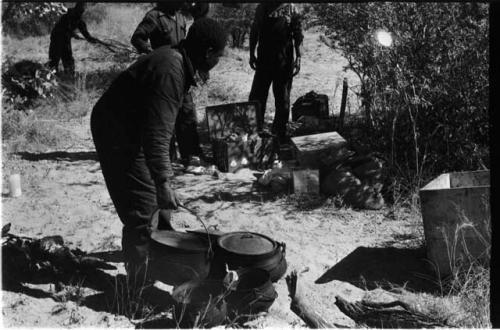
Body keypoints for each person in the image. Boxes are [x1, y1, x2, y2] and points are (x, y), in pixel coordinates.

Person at [91, 18, 226, 276]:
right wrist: (163, 182)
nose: (218, 62)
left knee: (156, 205)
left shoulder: (180, 62)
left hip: (132, 128)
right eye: (219, 55)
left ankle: (161, 260)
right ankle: (137, 289)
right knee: (142, 210)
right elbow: (157, 134)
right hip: (116, 131)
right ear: (208, 52)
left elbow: (181, 120)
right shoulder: (170, 69)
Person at [131, 1, 208, 166]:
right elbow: (137, 38)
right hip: (164, 76)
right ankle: (167, 158)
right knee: (166, 117)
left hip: (181, 73)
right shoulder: (154, 16)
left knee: (187, 113)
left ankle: (190, 154)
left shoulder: (180, 17)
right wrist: (153, 54)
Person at [248, 2, 303, 142]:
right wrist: (251, 52)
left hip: (284, 62)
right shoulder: (262, 7)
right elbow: (254, 30)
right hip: (264, 60)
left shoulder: (292, 8)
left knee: (283, 99)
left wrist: (299, 57)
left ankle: (279, 135)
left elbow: (298, 35)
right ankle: (254, 133)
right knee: (257, 97)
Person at [48, 2, 97, 75]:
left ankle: (69, 74)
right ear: (76, 9)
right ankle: (52, 75)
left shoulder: (79, 21)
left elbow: (86, 34)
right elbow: (62, 28)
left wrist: (91, 39)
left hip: (66, 39)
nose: (80, 13)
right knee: (54, 58)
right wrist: (73, 34)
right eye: (80, 11)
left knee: (68, 58)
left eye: (82, 11)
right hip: (57, 37)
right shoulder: (66, 17)